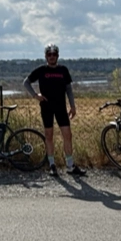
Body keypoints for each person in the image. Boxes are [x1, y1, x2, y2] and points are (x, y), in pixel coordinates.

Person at [24, 43, 82, 177]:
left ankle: (70, 165)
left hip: (61, 107)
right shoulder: (41, 70)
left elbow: (69, 89)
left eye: (54, 54)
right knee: (49, 136)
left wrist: (72, 106)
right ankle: (52, 165)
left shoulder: (63, 70)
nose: (51, 57)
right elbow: (26, 82)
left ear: (58, 56)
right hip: (46, 107)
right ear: (45, 56)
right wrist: (35, 95)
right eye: (49, 54)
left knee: (67, 135)